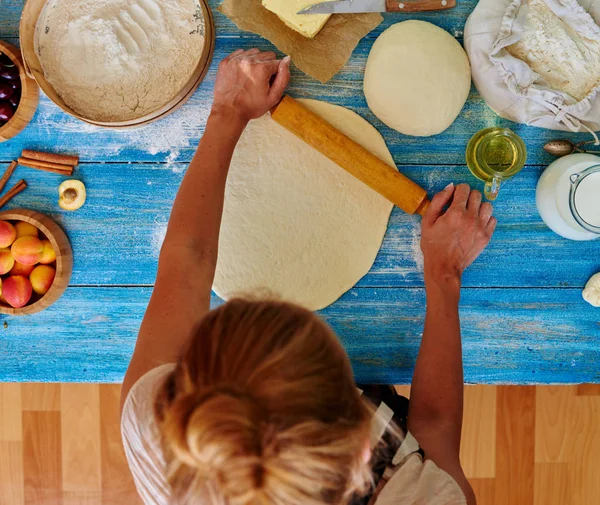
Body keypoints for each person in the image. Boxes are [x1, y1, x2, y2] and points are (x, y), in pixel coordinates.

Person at [121, 49, 497, 505]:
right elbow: (433, 427)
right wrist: (443, 275)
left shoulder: (159, 430)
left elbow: (188, 261)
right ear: (366, 445)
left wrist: (227, 114)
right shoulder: (419, 498)